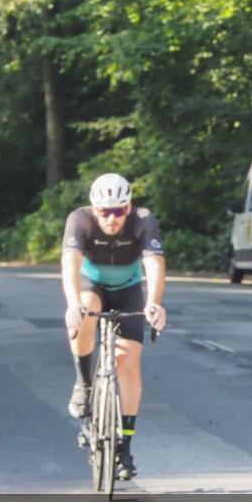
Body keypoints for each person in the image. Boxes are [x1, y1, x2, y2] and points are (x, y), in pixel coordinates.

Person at [61, 173, 166, 481]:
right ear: (94, 208)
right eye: (104, 211)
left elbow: (154, 263)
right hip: (91, 285)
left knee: (129, 361)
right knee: (86, 310)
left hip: (128, 289)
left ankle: (124, 446)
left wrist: (155, 302)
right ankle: (84, 383)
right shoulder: (79, 219)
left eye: (119, 210)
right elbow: (70, 264)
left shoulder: (143, 221)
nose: (111, 218)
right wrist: (71, 303)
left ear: (129, 207)